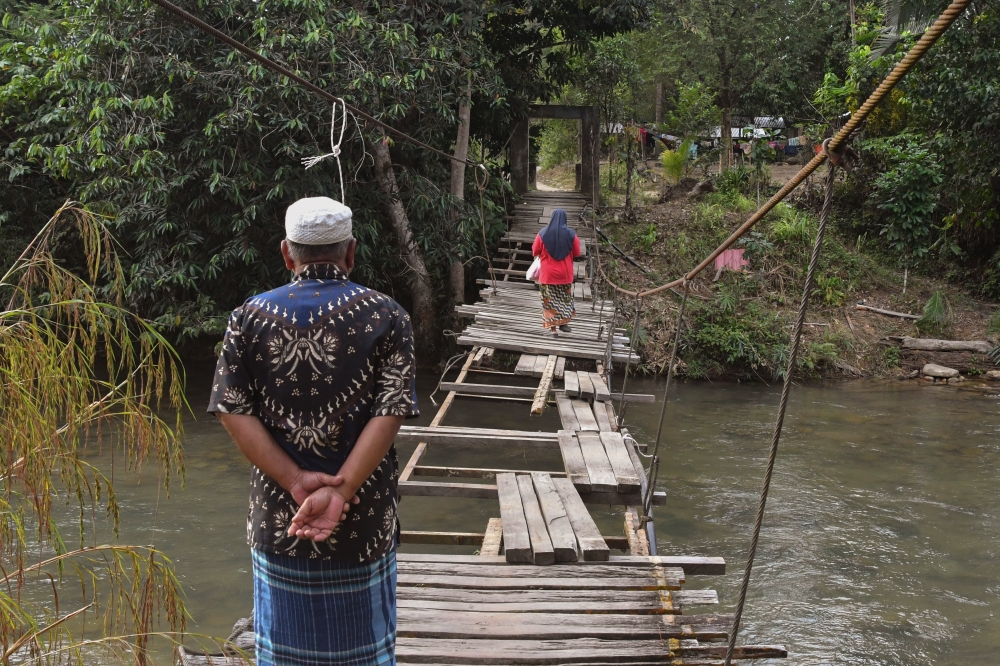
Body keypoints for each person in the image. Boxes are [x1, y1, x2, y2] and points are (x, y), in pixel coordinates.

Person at [208, 196, 418, 666]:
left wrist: (293, 479)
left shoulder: (248, 318)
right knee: (366, 651)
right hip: (362, 520)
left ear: (287, 253)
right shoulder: (387, 315)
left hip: (284, 519)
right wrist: (342, 489)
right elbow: (392, 410)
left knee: (283, 652)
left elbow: (231, 410)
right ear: (351, 252)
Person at [532, 208, 581, 334]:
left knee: (549, 301)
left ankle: (553, 329)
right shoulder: (571, 235)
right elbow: (577, 252)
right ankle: (563, 323)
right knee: (564, 299)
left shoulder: (542, 233)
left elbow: (535, 251)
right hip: (565, 274)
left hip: (547, 275)